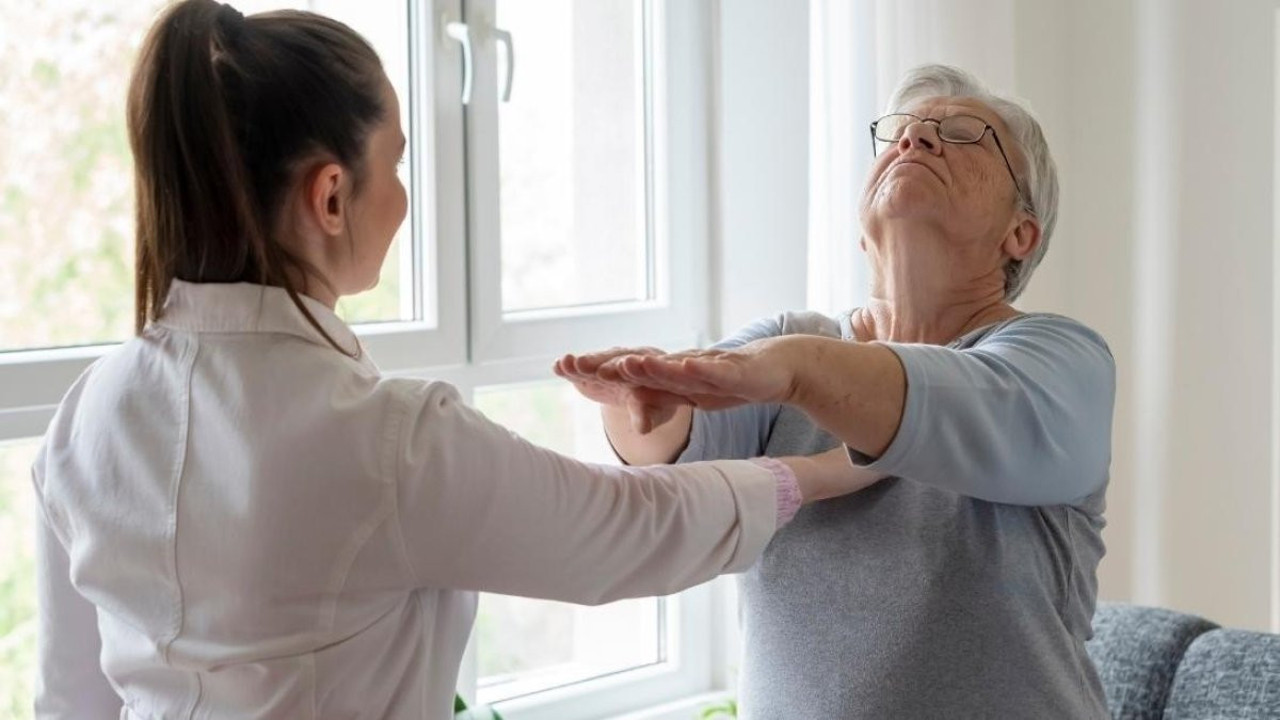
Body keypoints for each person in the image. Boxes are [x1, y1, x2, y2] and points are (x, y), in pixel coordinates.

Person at [30, 3, 877, 718]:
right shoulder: (380, 441)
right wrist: (843, 463)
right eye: (395, 161)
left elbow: (70, 702)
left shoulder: (86, 417)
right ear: (330, 196)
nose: (402, 198)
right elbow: (627, 531)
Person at [558, 64, 1115, 718]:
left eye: (962, 135)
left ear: (1020, 234)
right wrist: (641, 398)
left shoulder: (1060, 361)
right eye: (899, 135)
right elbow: (671, 450)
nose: (914, 142)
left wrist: (795, 370)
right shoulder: (790, 341)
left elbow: (948, 404)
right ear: (861, 230)